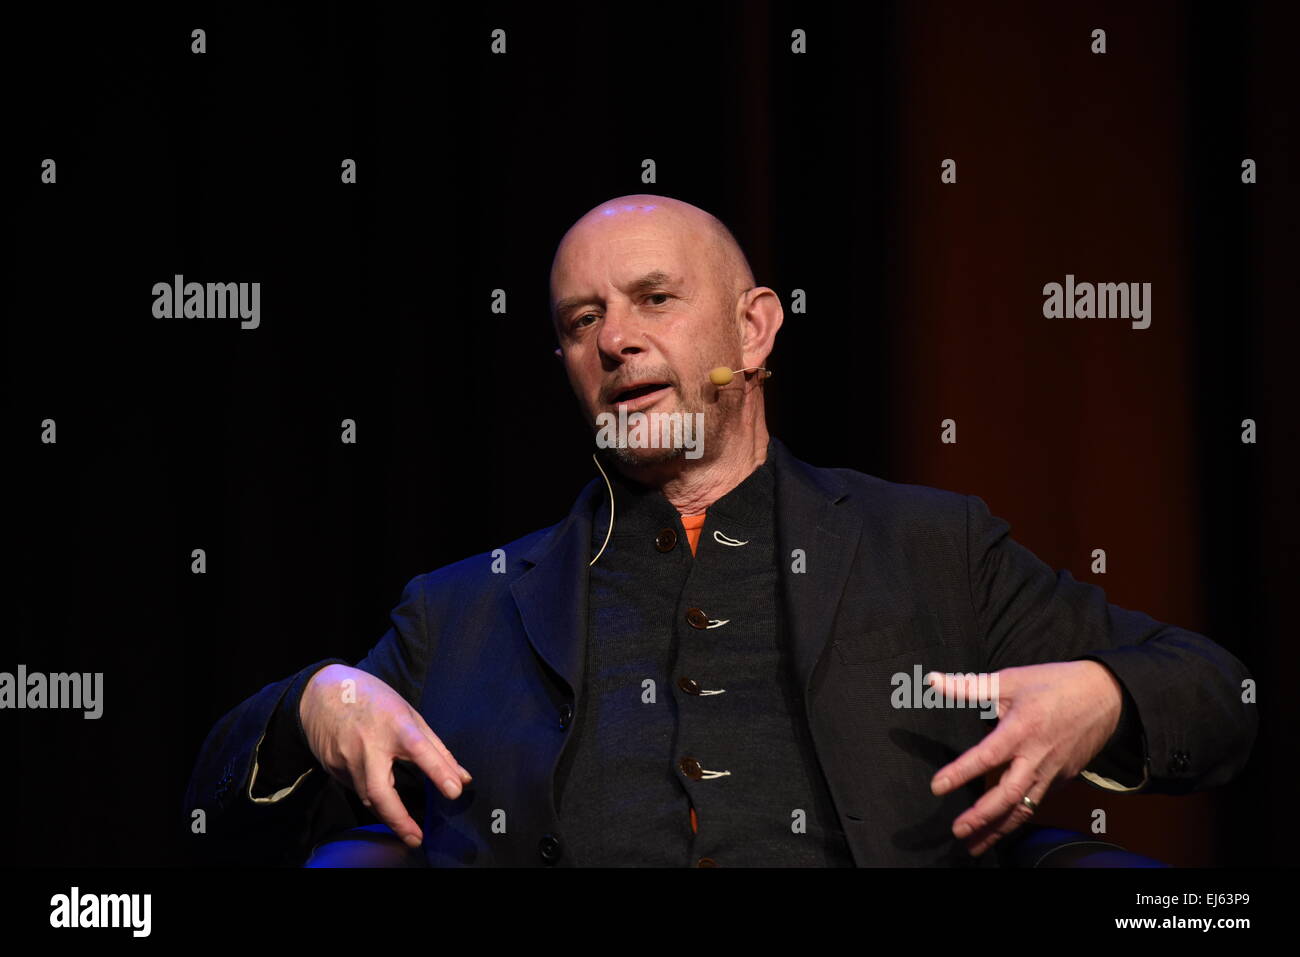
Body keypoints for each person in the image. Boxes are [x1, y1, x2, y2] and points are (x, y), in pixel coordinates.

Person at [184, 194, 1258, 867]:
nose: (616, 341)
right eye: (580, 321)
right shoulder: (464, 606)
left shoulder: (928, 548)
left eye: (653, 299)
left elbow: (1218, 698)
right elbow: (213, 819)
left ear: (752, 330)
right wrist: (310, 704)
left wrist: (1105, 697)